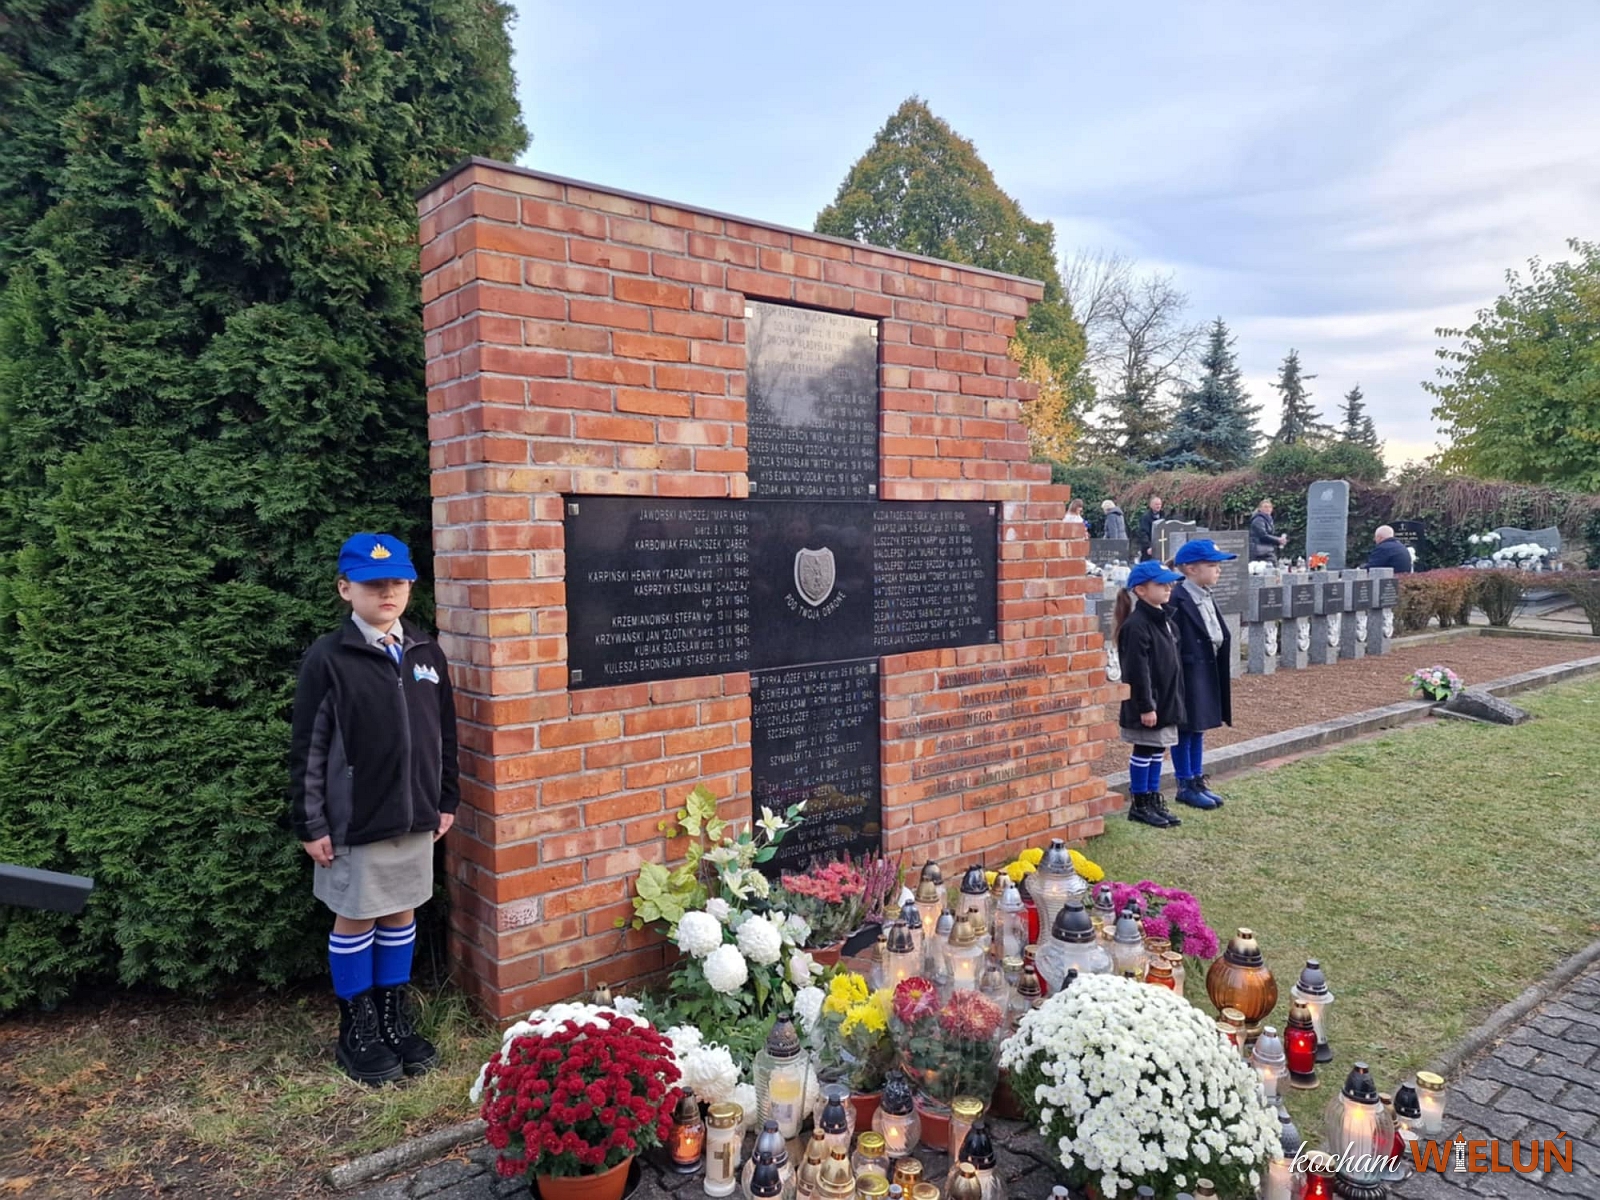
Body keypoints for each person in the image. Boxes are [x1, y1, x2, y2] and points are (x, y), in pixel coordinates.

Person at [289, 533, 460, 1085]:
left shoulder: (426, 651)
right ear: (346, 589)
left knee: (402, 910)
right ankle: (357, 1026)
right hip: (356, 819)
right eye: (372, 584)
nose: (387, 592)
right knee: (358, 914)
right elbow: (309, 747)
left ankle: (392, 1017)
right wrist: (311, 821)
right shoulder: (329, 658)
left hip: (416, 815)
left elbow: (446, 734)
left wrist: (446, 799)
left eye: (397, 582)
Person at [1112, 560, 1187, 829]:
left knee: (1157, 749)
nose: (1168, 588)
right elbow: (1137, 671)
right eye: (1161, 584)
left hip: (1165, 699)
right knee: (1144, 749)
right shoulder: (1137, 625)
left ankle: (1153, 799)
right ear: (1141, 591)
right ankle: (1140, 803)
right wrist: (1146, 706)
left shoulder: (1164, 620)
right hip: (1149, 702)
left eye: (1170, 583)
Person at [1167, 539, 1237, 810]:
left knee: (1199, 727)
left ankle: (1197, 779)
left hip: (1206, 669)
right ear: (1191, 569)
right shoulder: (1177, 598)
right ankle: (1184, 783)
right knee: (1185, 729)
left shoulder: (1205, 594)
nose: (1218, 570)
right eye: (1212, 565)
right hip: (1187, 673)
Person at [1138, 495, 1165, 560]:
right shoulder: (1146, 517)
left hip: (1161, 545)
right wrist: (1148, 547)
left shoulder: (1163, 515)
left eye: (1160, 504)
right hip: (1149, 547)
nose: (1158, 506)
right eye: (1156, 504)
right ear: (1151, 505)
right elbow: (1143, 533)